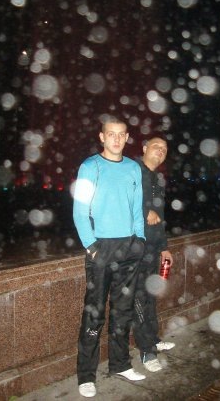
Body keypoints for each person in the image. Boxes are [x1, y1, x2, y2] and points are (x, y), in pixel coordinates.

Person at [72, 115, 147, 398]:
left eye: (121, 134)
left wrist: (139, 240)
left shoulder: (133, 168)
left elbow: (137, 207)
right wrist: (92, 246)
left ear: (127, 137)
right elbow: (80, 211)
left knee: (123, 311)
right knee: (94, 313)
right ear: (102, 137)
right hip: (101, 248)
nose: (116, 139)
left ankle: (120, 364)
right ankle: (86, 375)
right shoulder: (90, 167)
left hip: (129, 247)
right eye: (111, 134)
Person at [133, 137, 175, 373]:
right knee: (139, 299)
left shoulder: (158, 178)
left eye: (164, 149)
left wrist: (164, 247)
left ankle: (153, 340)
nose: (161, 151)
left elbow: (160, 216)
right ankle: (147, 352)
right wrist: (144, 211)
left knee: (150, 297)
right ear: (144, 148)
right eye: (156, 146)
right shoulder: (133, 171)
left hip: (151, 248)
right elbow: (122, 202)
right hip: (134, 248)